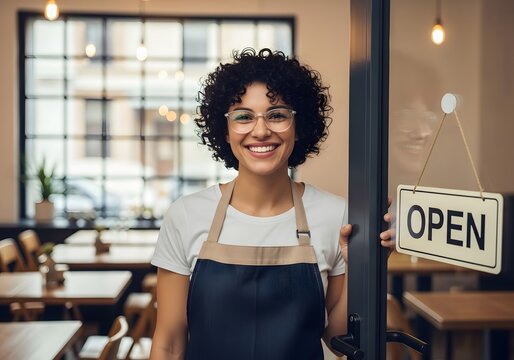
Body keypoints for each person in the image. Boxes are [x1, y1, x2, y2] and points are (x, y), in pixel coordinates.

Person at [150, 48, 394, 360]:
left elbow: (337, 340)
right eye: (243, 117)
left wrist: (366, 265)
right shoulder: (186, 215)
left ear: (298, 125)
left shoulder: (336, 216)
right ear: (224, 131)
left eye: (277, 114)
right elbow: (169, 344)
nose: (261, 130)